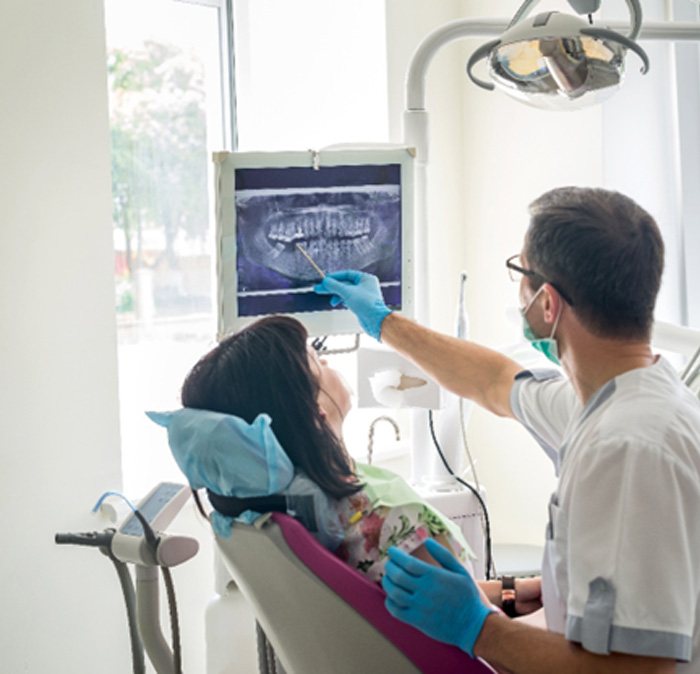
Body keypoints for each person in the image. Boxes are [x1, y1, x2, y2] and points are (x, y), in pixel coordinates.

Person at [314, 186, 700, 673]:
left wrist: (480, 628)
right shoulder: (612, 400)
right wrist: (383, 322)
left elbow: (640, 670)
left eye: (520, 272)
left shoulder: (627, 446)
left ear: (547, 304)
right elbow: (493, 381)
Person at [176, 314, 540, 613]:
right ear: (315, 413)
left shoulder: (284, 519)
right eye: (318, 362)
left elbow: (407, 598)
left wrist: (511, 591)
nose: (328, 361)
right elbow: (488, 641)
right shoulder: (392, 523)